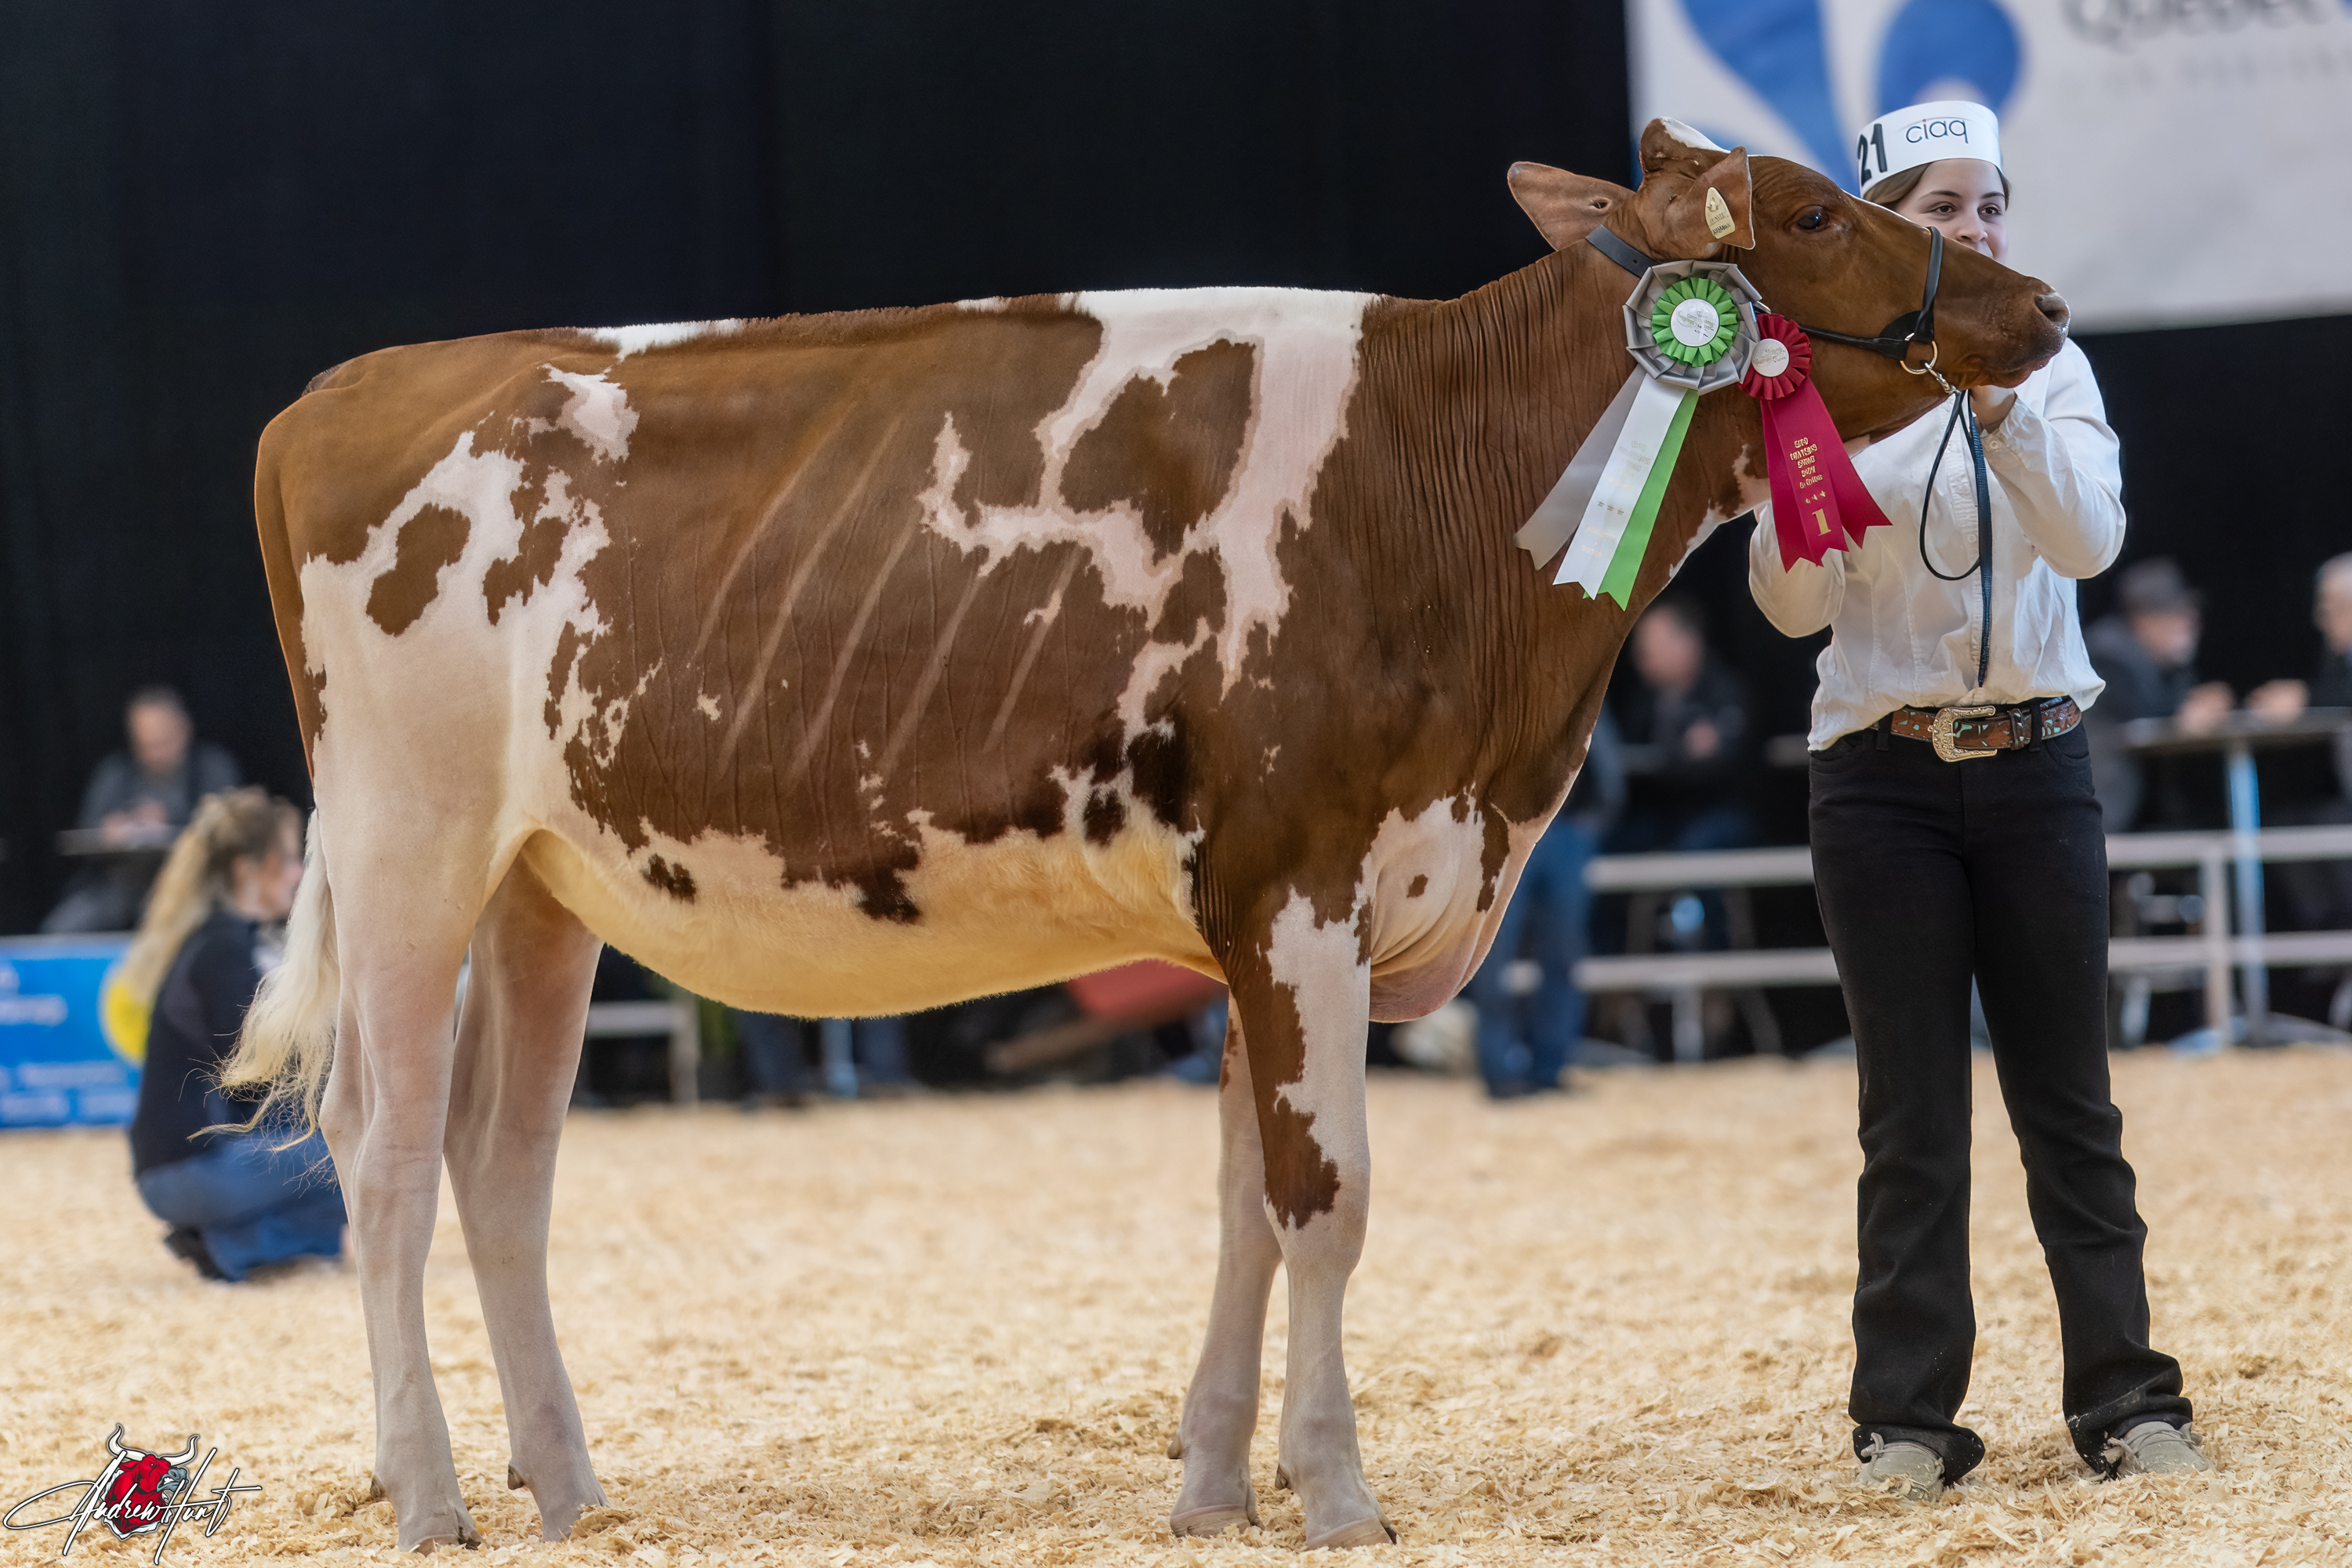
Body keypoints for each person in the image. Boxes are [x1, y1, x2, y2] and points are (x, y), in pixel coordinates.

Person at [1751, 100, 2206, 1501]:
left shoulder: (2054, 371)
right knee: (1910, 1118)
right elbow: (1789, 606)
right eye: (1946, 209)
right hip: (1879, 778)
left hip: (2038, 769)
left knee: (2072, 1104)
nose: (1979, 229)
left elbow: (2090, 534)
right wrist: (1803, 459)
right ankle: (1904, 1419)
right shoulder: (1823, 392)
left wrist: (1996, 398)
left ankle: (2127, 1401)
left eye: (1991, 204)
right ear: (1890, 229)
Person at [116, 787, 344, 1281]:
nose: (297, 875)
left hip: (179, 1165)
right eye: (286, 860)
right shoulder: (223, 950)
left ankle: (243, 1241)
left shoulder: (219, 942)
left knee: (342, 1169)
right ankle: (230, 1247)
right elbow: (251, 1079)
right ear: (248, 870)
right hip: (193, 1168)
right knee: (357, 1150)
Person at [1465, 709, 1624, 1098]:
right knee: (1493, 955)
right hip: (1505, 831)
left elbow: (1603, 754)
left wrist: (1595, 817)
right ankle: (1500, 1071)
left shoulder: (1575, 680)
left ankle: (1547, 1068)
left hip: (1564, 830)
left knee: (1560, 955)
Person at [43, 687, 241, 933]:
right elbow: (87, 834)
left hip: (192, 890)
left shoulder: (213, 769)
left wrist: (170, 825)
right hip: (120, 890)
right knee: (63, 927)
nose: (154, 753)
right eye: (145, 744)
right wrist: (113, 831)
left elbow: (229, 835)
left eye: (161, 741)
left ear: (183, 728)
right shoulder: (115, 774)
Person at [2081, 558, 2232, 829]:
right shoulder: (2107, 654)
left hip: (2140, 804)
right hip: (2103, 805)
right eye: (2176, 616)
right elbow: (2142, 720)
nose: (2189, 625)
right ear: (2144, 620)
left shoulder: (2163, 664)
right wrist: (2184, 714)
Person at [1610, 597, 1755, 858]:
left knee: (1698, 843)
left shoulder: (1726, 693)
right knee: (1615, 841)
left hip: (1717, 809)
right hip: (1659, 812)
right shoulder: (1639, 703)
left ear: (1689, 643)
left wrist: (1701, 752)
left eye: (1656, 645)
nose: (1643, 656)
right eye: (1642, 647)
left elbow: (1736, 759)